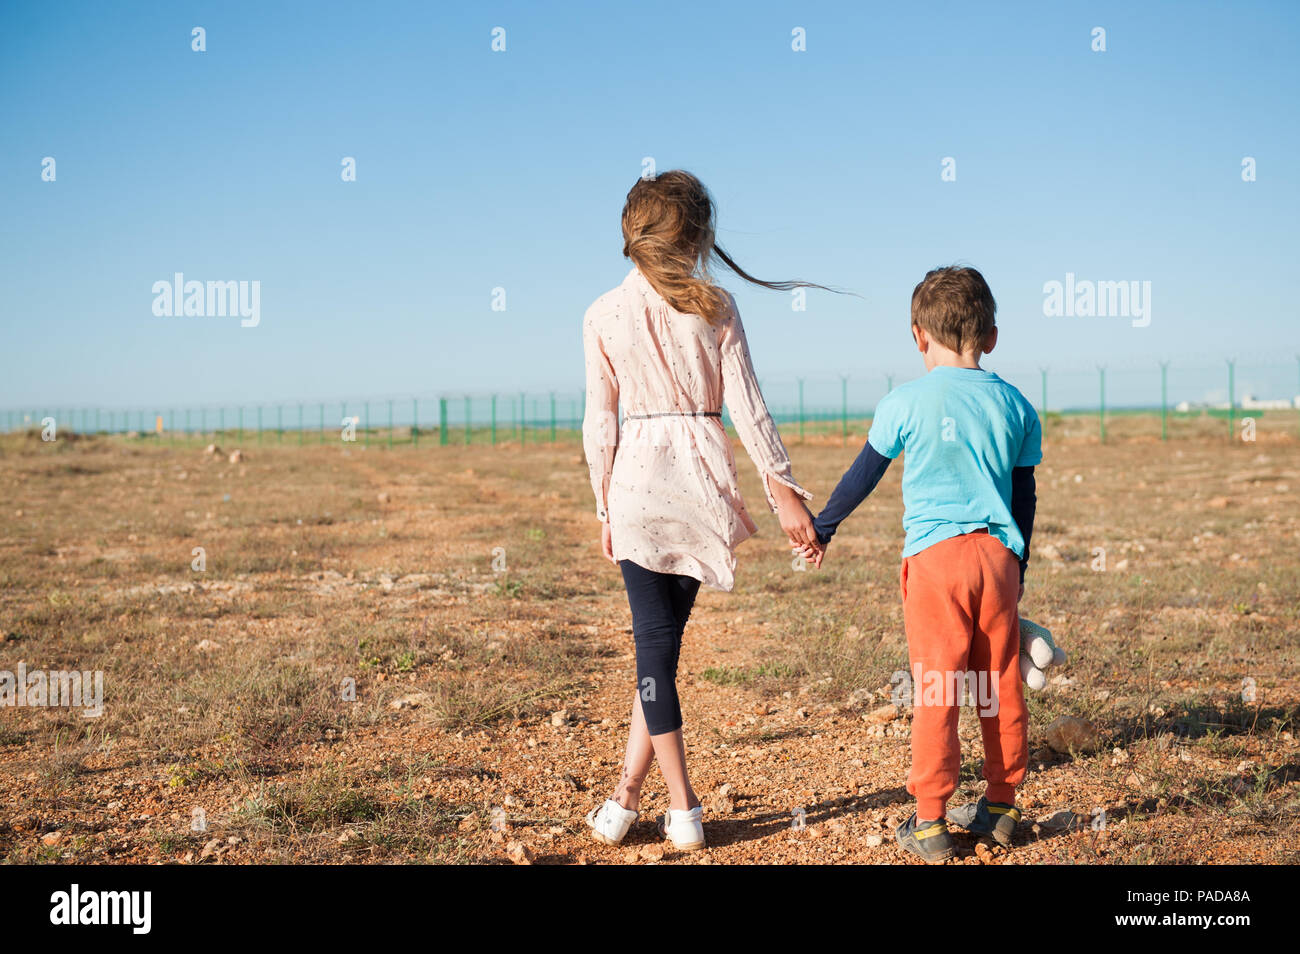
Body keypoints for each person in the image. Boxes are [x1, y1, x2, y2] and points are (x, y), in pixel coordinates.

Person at [581, 170, 826, 851]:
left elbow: (600, 425)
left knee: (654, 650)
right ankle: (629, 797)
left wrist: (604, 504)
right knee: (659, 648)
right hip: (698, 486)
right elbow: (748, 409)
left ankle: (682, 806)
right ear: (695, 237)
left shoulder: (600, 313)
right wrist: (783, 493)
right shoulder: (714, 306)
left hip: (634, 487)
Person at [799, 265, 1041, 862]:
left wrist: (823, 528)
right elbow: (1025, 494)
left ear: (918, 336)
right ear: (990, 337)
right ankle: (1003, 806)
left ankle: (930, 821)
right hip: (997, 557)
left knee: (937, 685)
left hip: (935, 562)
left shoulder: (904, 400)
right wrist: (1018, 563)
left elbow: (865, 474)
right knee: (997, 682)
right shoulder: (1015, 404)